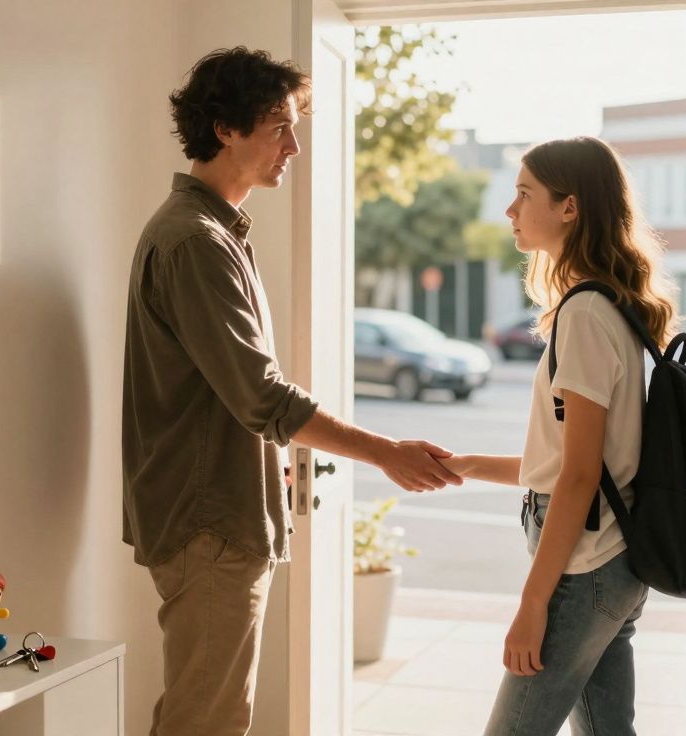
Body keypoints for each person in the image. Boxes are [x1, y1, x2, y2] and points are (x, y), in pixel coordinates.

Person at [121, 47, 461, 736]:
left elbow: (230, 400)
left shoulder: (213, 233)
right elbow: (261, 397)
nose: (295, 145)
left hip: (215, 517)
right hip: (208, 525)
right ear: (225, 128)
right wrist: (386, 451)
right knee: (205, 724)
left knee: (207, 715)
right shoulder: (196, 242)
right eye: (280, 126)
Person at [440, 137, 680, 735]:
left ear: (569, 207)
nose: (510, 209)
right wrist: (469, 464)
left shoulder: (585, 315)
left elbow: (577, 476)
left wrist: (533, 603)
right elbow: (575, 460)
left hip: (585, 568)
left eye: (524, 194)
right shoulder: (611, 307)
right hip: (615, 562)